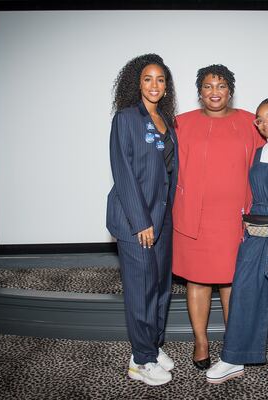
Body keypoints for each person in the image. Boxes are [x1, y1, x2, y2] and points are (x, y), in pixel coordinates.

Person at [205, 97, 268, 383]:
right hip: (256, 232)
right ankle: (234, 358)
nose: (265, 123)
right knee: (245, 292)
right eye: (260, 120)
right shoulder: (259, 153)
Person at [172, 64, 265, 370]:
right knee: (197, 281)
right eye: (209, 86)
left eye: (221, 86)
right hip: (193, 217)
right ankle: (201, 342)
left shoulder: (251, 122)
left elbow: (267, 165)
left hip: (235, 218)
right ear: (200, 92)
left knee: (231, 282)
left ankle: (234, 343)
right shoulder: (180, 124)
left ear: (230, 90)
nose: (215, 92)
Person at [106, 54, 178, 386]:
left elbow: (168, 173)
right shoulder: (126, 118)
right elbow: (123, 173)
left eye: (160, 79)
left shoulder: (166, 120)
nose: (154, 85)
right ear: (137, 82)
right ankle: (140, 359)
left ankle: (153, 344)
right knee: (141, 290)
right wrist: (141, 222)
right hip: (137, 221)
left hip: (162, 219)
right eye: (148, 78)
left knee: (161, 286)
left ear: (166, 86)